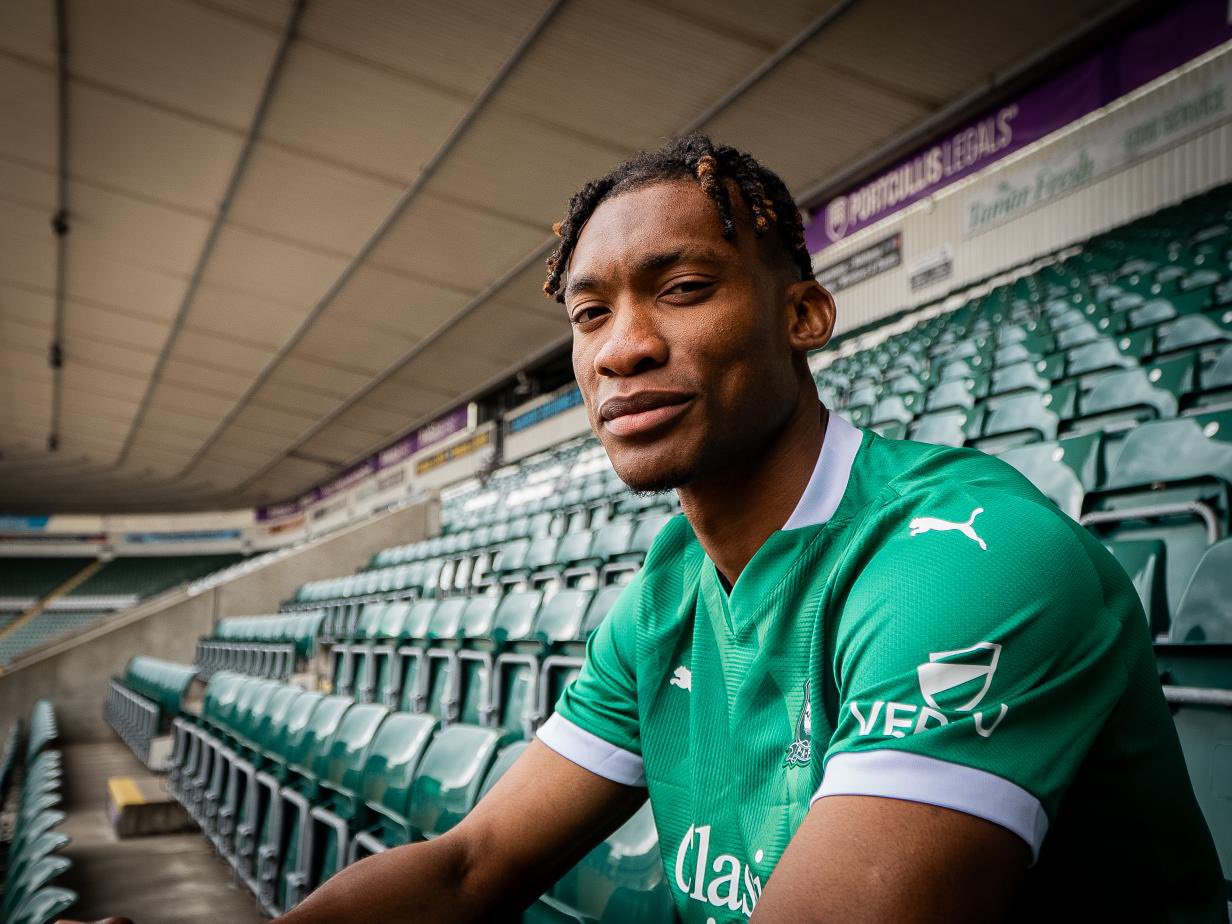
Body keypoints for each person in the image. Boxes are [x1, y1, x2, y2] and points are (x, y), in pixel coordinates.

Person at [65, 135, 1225, 923]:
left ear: (802, 315)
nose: (620, 348)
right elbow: (471, 867)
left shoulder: (970, 558)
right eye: (589, 313)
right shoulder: (668, 593)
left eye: (681, 289)